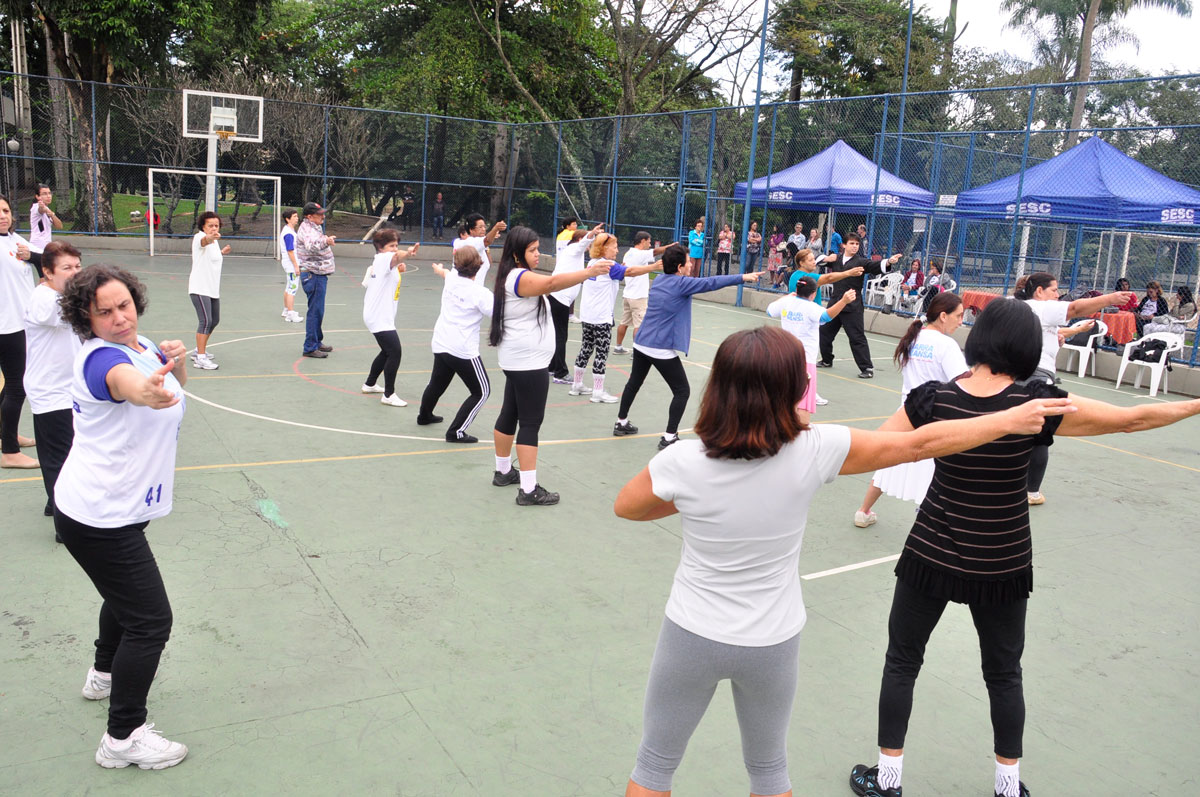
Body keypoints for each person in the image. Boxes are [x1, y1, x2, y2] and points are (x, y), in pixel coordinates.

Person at [614, 323, 1075, 797]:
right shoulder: (815, 448)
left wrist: (694, 499)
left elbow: (627, 507)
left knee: (654, 767)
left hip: (691, 632)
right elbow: (917, 444)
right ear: (796, 387)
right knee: (770, 772)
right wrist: (1005, 419)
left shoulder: (681, 461)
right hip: (772, 641)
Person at [847, 298, 1200, 797]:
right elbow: (1131, 420)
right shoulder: (1035, 406)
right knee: (1004, 673)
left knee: (903, 660)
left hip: (931, 552)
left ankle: (887, 780)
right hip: (1003, 559)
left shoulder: (933, 399)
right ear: (1029, 345)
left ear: (980, 337)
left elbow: (871, 447)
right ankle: (1008, 787)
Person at [54, 263, 191, 770]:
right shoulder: (101, 361)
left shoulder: (142, 345)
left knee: (123, 600)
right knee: (152, 621)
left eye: (124, 305)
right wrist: (145, 390)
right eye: (104, 312)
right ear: (85, 320)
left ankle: (103, 673)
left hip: (117, 507)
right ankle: (122, 737)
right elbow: (127, 384)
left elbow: (164, 386)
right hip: (99, 516)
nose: (118, 318)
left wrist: (174, 365)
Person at [489, 225, 610, 506]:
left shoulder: (511, 275)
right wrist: (590, 272)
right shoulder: (519, 277)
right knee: (530, 423)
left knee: (510, 414)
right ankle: (529, 490)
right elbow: (552, 284)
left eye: (537, 249)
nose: (537, 254)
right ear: (517, 255)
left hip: (518, 361)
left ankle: (504, 471)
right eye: (531, 250)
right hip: (527, 363)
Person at [612, 244, 761, 449]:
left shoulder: (659, 280)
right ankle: (669, 437)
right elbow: (712, 282)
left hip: (642, 342)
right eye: (689, 262)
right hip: (659, 347)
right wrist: (742, 277)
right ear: (680, 267)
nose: (691, 265)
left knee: (634, 383)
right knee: (682, 390)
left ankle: (620, 422)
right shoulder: (681, 283)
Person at [1015, 272, 1133, 505]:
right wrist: (1110, 299)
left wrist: (1075, 331)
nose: (1058, 295)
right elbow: (1076, 308)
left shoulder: (1024, 311)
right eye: (1054, 290)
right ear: (1039, 291)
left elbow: (1056, 332)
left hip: (1020, 374)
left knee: (1017, 428)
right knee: (1040, 434)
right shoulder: (1042, 308)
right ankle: (1032, 491)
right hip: (1036, 378)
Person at [853, 292, 969, 528]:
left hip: (905, 413)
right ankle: (927, 520)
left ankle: (863, 511)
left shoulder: (915, 336)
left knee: (888, 462)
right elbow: (963, 381)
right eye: (958, 315)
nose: (961, 321)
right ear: (943, 316)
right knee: (937, 470)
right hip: (935, 416)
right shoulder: (947, 345)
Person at [23, 241, 82, 522]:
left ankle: (54, 502)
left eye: (78, 266)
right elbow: (76, 313)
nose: (74, 272)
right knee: (59, 458)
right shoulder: (45, 300)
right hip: (51, 391)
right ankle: (64, 522)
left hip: (70, 388)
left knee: (71, 451)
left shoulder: (63, 294)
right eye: (66, 268)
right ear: (47, 272)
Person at [570, 232, 659, 403]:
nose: (617, 250)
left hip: (588, 316)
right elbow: (631, 271)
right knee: (601, 353)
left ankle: (577, 384)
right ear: (603, 248)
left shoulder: (594, 263)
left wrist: (621, 267)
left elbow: (620, 271)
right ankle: (597, 392)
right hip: (601, 317)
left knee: (586, 348)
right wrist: (652, 267)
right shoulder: (608, 265)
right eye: (614, 247)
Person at [417, 246, 494, 443]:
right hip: (463, 350)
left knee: (437, 383)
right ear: (479, 267)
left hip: (441, 343)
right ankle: (456, 432)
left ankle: (424, 416)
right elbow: (499, 315)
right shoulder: (481, 293)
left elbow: (444, 273)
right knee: (482, 391)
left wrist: (438, 268)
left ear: (456, 265)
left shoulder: (451, 279)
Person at [766, 276, 857, 424]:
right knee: (802, 405)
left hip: (786, 358)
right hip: (805, 361)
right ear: (814, 294)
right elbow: (827, 316)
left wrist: (786, 297)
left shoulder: (787, 302)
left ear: (796, 289)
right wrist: (844, 301)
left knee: (784, 398)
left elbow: (770, 311)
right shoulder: (812, 308)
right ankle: (800, 435)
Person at [817, 234, 901, 379]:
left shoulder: (861, 261)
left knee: (856, 337)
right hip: (835, 303)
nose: (855, 246)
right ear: (844, 245)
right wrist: (826, 258)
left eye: (857, 243)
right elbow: (817, 261)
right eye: (851, 243)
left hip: (852, 306)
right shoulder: (835, 258)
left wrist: (888, 262)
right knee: (824, 332)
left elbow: (876, 266)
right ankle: (826, 360)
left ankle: (867, 367)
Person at [0, 194, 38, 469]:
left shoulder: (15, 240)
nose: (2, 215)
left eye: (5, 210)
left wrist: (32, 255)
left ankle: (6, 436)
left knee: (12, 385)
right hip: (6, 326)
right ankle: (9, 452)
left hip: (22, 323)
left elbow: (46, 259)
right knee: (16, 386)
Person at [360, 229, 419, 407]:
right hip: (379, 316)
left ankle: (370, 384)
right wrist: (407, 253)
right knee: (395, 351)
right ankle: (389, 394)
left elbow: (393, 264)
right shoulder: (383, 258)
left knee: (386, 351)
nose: (395, 249)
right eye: (391, 246)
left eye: (396, 245)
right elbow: (395, 257)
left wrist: (398, 266)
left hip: (380, 314)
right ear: (380, 247)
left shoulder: (384, 262)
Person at [548, 224, 604, 382]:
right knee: (561, 336)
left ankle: (552, 367)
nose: (589, 245)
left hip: (559, 298)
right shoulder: (574, 249)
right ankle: (560, 373)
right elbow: (583, 243)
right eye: (588, 241)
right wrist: (592, 233)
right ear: (581, 239)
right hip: (559, 298)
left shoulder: (572, 252)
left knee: (558, 335)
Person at [613, 233, 673, 355]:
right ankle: (637, 352)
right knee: (639, 325)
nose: (650, 245)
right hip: (638, 296)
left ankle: (618, 347)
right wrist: (669, 247)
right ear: (642, 241)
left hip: (628, 294)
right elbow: (655, 252)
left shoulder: (628, 253)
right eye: (649, 241)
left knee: (624, 322)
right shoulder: (640, 254)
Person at [186, 212, 231, 371]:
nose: (214, 228)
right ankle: (201, 358)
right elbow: (205, 242)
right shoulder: (199, 238)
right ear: (203, 226)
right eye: (210, 225)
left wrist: (221, 253)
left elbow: (210, 257)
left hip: (212, 289)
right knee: (205, 321)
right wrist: (211, 237)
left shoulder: (215, 244)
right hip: (199, 288)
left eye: (216, 225)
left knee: (214, 320)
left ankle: (199, 350)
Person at [297, 202, 336, 359]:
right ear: (309, 216)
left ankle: (317, 341)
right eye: (319, 214)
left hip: (318, 273)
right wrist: (326, 241)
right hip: (313, 274)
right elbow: (311, 245)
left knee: (318, 310)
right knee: (315, 311)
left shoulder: (314, 227)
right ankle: (310, 347)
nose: (323, 216)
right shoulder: (307, 229)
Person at [453, 213, 506, 286]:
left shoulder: (480, 245)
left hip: (474, 289)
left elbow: (489, 263)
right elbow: (487, 241)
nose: (484, 229)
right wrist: (495, 228)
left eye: (484, 226)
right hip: (465, 289)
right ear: (471, 230)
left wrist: (491, 237)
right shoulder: (469, 242)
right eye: (480, 227)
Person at [27, 184, 63, 279]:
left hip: (44, 249)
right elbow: (40, 210)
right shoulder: (36, 208)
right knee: (48, 277)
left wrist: (51, 214)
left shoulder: (48, 210)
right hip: (37, 249)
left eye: (49, 193)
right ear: (38, 197)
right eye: (44, 194)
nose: (48, 196)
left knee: (45, 278)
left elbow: (59, 225)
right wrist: (42, 207)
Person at [278, 209, 303, 323]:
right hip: (291, 263)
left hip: (290, 263)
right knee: (293, 288)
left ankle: (286, 310)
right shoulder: (288, 233)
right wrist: (296, 266)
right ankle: (291, 314)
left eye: (297, 216)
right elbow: (290, 251)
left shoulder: (290, 230)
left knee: (289, 286)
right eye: (294, 216)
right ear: (288, 219)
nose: (296, 218)